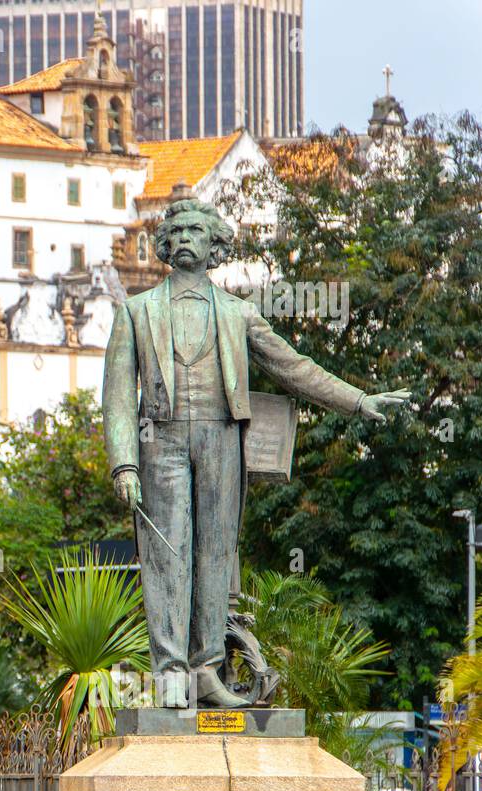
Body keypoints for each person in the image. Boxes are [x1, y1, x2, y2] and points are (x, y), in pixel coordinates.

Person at [103, 198, 410, 708]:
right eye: (175, 230)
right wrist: (124, 463)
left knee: (216, 556)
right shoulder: (134, 312)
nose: (183, 238)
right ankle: (171, 673)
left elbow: (294, 367)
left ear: (215, 244)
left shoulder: (238, 313)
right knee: (166, 557)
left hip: (222, 438)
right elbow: (116, 396)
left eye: (195, 230)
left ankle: (207, 669)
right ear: (163, 245)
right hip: (160, 442)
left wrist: (358, 401)